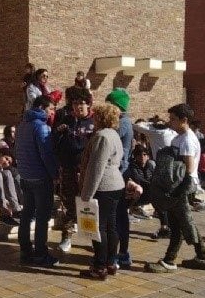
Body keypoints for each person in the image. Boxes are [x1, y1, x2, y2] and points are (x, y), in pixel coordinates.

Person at [145, 103, 205, 273]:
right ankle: (203, 256)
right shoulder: (179, 137)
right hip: (178, 186)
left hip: (183, 186)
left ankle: (170, 261)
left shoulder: (187, 140)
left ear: (184, 120)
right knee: (184, 222)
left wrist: (180, 189)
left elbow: (189, 168)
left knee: (179, 224)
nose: (170, 122)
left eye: (173, 119)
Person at [78, 103, 126, 280]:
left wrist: (86, 194)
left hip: (103, 186)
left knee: (98, 228)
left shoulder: (101, 136)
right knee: (111, 226)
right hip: (116, 185)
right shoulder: (113, 134)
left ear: (100, 118)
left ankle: (99, 266)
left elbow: (95, 168)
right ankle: (111, 262)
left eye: (95, 115)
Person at [16, 95, 59, 267]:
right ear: (41, 107)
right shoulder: (41, 128)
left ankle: (25, 249)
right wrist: (55, 174)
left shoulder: (22, 125)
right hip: (40, 177)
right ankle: (41, 253)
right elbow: (46, 155)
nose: (52, 112)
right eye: (51, 109)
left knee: (27, 214)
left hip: (26, 175)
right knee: (42, 217)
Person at [53, 86, 94, 253]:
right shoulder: (67, 120)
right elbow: (56, 143)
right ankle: (66, 237)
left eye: (82, 103)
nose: (78, 107)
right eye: (75, 104)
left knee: (89, 207)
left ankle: (93, 240)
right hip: (69, 170)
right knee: (69, 206)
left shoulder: (94, 123)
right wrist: (59, 133)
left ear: (89, 105)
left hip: (87, 172)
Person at [105, 88, 134, 269]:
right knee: (117, 216)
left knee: (118, 217)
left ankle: (121, 253)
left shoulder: (122, 124)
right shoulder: (122, 122)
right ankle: (119, 252)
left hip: (119, 173)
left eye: (110, 104)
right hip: (120, 172)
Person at [124, 144, 155, 218]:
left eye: (144, 154)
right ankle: (130, 208)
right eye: (139, 155)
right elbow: (137, 178)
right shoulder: (132, 166)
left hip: (149, 190)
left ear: (147, 156)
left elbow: (154, 177)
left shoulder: (150, 166)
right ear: (136, 156)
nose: (142, 157)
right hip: (138, 190)